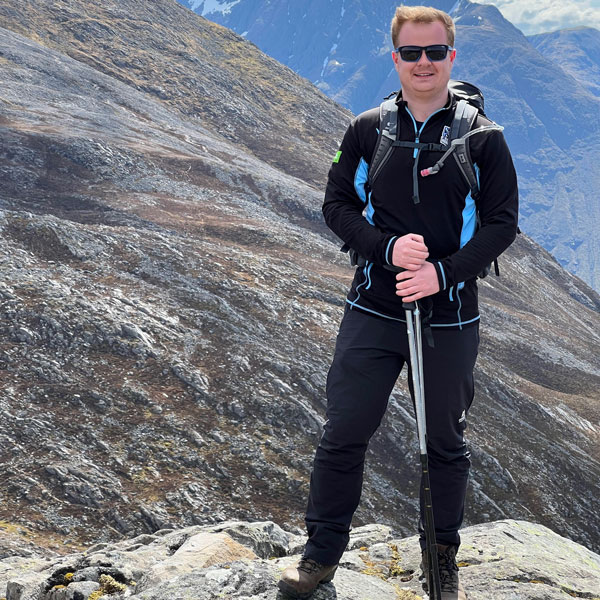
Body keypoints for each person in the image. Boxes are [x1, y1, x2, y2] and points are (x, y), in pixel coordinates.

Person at [278, 5, 518, 600]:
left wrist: (442, 273)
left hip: (450, 310)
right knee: (344, 433)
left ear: (451, 56)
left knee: (443, 443)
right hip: (375, 307)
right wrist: (386, 249)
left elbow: (502, 223)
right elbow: (336, 205)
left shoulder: (483, 140)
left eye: (435, 51)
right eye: (411, 53)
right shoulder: (368, 129)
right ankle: (321, 554)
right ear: (396, 58)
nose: (424, 63)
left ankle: (441, 565)